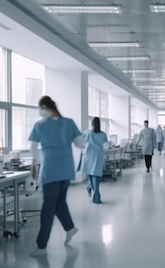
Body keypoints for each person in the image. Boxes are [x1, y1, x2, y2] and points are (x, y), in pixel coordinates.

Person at [28, 96, 83, 257]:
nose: (40, 112)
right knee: (59, 202)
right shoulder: (69, 122)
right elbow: (80, 143)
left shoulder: (40, 125)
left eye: (40, 108)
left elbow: (33, 149)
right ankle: (70, 228)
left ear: (45, 107)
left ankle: (41, 245)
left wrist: (33, 165)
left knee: (48, 207)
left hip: (51, 169)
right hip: (66, 168)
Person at [80, 117, 109, 204]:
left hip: (88, 157)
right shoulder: (103, 134)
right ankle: (96, 197)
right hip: (98, 157)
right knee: (96, 176)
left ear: (92, 123)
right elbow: (106, 146)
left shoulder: (87, 132)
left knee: (91, 175)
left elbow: (80, 142)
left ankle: (91, 188)